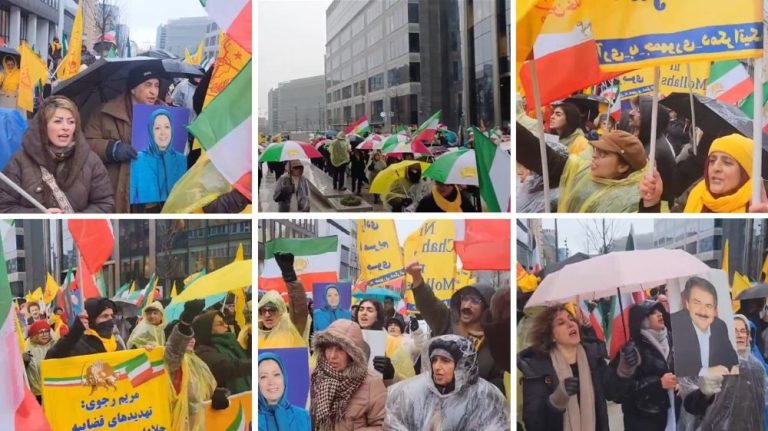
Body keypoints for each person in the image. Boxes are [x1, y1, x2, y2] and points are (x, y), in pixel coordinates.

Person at [518, 305, 638, 431]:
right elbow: (533, 423)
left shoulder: (593, 356)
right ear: (551, 336)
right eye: (561, 323)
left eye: (571, 319)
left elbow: (613, 393)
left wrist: (625, 368)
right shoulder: (538, 368)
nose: (570, 324)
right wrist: (556, 401)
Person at [0, 96, 114, 213]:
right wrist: (40, 216)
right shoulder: (19, 161)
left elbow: (104, 203)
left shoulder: (91, 161)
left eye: (71, 122)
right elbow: (4, 207)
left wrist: (74, 221)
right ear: (43, 126)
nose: (66, 127)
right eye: (58, 121)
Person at [405, 260, 504, 391]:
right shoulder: (447, 322)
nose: (466, 306)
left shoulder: (494, 341)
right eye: (464, 299)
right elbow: (429, 304)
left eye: (474, 301)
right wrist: (417, 278)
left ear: (486, 307)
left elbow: (498, 380)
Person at [85, 64, 167, 212]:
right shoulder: (105, 112)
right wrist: (112, 149)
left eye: (156, 85)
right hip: (119, 187)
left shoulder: (166, 113)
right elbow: (86, 143)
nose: (153, 91)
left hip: (154, 192)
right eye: (147, 85)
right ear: (133, 89)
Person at [385, 334, 509, 430]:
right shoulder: (414, 392)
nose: (437, 367)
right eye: (434, 360)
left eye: (445, 360)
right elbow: (394, 421)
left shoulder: (484, 395)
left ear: (463, 365)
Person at [517, 123, 647, 212]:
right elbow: (548, 160)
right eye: (596, 150)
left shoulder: (631, 201)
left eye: (604, 154)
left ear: (623, 167)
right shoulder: (583, 171)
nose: (595, 156)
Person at [677, 314, 767, 431]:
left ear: (749, 336)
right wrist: (704, 394)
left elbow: (760, 408)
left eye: (743, 331)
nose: (739, 335)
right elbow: (691, 407)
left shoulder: (757, 367)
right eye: (734, 331)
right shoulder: (711, 364)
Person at [640, 134, 760, 213]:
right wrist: (651, 203)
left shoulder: (757, 207)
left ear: (746, 172)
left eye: (727, 162)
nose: (716, 168)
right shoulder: (694, 194)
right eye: (712, 161)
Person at [612, 300, 680, 431]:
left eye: (660, 311)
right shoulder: (632, 349)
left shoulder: (673, 340)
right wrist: (658, 384)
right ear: (642, 320)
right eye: (652, 313)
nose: (660, 314)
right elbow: (619, 394)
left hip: (673, 417)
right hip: (644, 423)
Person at [311, 319, 386, 430]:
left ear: (353, 354)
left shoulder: (371, 383)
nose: (332, 356)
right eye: (328, 348)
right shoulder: (315, 377)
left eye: (340, 349)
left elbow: (383, 426)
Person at [163, 299, 217, 431]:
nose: (191, 339)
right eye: (187, 336)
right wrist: (185, 322)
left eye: (192, 335)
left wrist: (217, 395)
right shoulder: (172, 360)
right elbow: (175, 347)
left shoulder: (197, 360)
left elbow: (204, 390)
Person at [671, 276, 739, 377]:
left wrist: (735, 367)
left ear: (714, 309)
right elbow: (672, 368)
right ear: (687, 304)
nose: (703, 311)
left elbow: (732, 359)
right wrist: (705, 372)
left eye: (708, 306)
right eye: (697, 303)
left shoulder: (719, 326)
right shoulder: (674, 324)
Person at [629, 95, 680, 205]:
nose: (631, 113)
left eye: (638, 110)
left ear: (650, 118)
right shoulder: (648, 143)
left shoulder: (654, 152)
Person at [130, 108, 187, 204]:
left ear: (172, 130)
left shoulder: (182, 160)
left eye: (167, 127)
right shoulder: (137, 160)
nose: (163, 132)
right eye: (157, 128)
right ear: (151, 132)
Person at [356, 298, 416, 384]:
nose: (364, 313)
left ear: (377, 316)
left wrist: (390, 373)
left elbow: (405, 378)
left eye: (370, 310)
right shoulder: (349, 337)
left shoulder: (391, 341)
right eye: (361, 309)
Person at [191, 309, 251, 394]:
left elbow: (246, 358)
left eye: (225, 322)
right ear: (207, 329)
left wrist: (251, 339)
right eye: (220, 324)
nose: (226, 325)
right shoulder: (203, 351)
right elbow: (226, 367)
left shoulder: (232, 344)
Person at [258, 252, 310, 347]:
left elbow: (299, 308)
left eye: (272, 310)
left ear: (281, 311)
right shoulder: (255, 335)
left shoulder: (291, 328)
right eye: (263, 310)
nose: (267, 314)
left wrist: (290, 276)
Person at [46, 298, 123, 358]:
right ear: (91, 319)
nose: (110, 319)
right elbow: (52, 356)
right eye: (105, 316)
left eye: (112, 316)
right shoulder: (79, 344)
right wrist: (75, 332)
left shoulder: (117, 344)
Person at [258, 352, 311, 431]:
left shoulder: (303, 417)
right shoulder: (252, 421)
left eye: (276, 374)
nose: (271, 382)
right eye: (263, 377)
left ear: (284, 378)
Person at [23, 320, 55, 401]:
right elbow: (21, 372)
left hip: (54, 389)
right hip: (37, 394)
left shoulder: (55, 345)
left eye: (46, 331)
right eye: (41, 332)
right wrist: (24, 362)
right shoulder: (27, 348)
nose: (44, 334)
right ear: (34, 335)